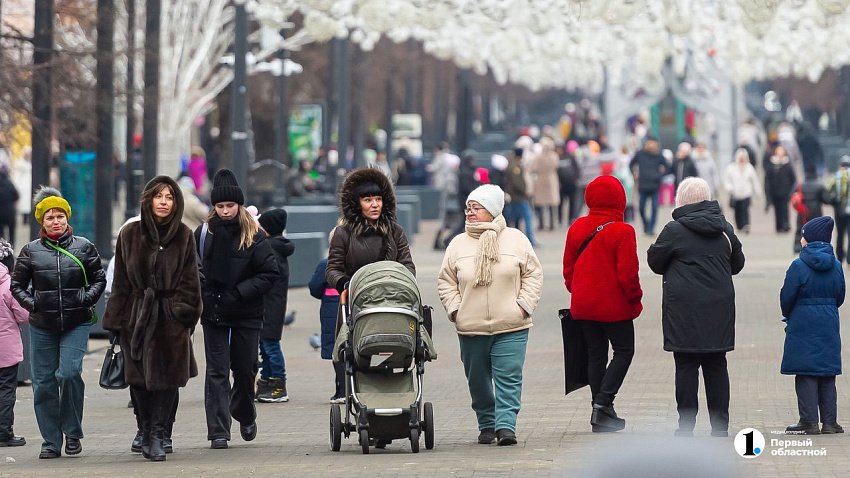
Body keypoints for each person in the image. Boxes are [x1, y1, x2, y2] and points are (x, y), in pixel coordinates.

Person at [102, 176, 202, 461]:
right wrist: (115, 321)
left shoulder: (184, 235)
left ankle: (159, 433)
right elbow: (120, 280)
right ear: (148, 199)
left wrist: (183, 314)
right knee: (139, 380)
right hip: (136, 316)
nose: (163, 202)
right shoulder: (129, 234)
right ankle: (144, 429)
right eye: (159, 196)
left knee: (168, 379)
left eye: (169, 197)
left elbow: (190, 281)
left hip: (170, 317)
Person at [437, 184, 542, 446]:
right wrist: (455, 310)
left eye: (477, 207)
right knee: (479, 381)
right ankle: (486, 423)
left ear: (493, 211)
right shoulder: (458, 244)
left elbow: (533, 274)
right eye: (468, 207)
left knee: (509, 376)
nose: (470, 212)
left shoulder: (517, 239)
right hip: (471, 326)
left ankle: (506, 426)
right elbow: (446, 281)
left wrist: (524, 305)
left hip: (512, 324)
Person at [11, 187, 106, 459]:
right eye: (50, 217)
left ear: (67, 219)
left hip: (77, 322)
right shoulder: (30, 251)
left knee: (69, 373)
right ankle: (51, 440)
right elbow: (17, 285)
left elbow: (99, 278)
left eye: (60, 216)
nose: (56, 221)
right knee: (43, 383)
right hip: (42, 324)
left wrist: (85, 298)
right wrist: (34, 303)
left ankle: (72, 431)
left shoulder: (84, 246)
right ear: (41, 221)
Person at [647, 178, 745, 437]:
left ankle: (686, 427)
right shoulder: (725, 228)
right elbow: (737, 265)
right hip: (719, 310)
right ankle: (720, 427)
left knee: (686, 367)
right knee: (717, 365)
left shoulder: (673, 230)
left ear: (681, 200)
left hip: (683, 313)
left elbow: (655, 263)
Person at [195, 169, 278, 450]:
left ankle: (244, 412)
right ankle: (218, 431)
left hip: (246, 312)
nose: (226, 211)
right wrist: (206, 296)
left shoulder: (255, 234)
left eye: (230, 206)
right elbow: (195, 269)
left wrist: (240, 293)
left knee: (244, 369)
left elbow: (269, 272)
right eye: (220, 206)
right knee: (216, 372)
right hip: (214, 312)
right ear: (213, 207)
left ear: (239, 205)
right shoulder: (204, 233)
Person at [562, 175, 642, 433]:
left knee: (596, 355)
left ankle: (600, 412)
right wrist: (635, 301)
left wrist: (579, 291)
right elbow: (628, 275)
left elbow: (568, 270)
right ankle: (603, 403)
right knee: (624, 351)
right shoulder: (624, 231)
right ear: (620, 199)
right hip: (615, 307)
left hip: (584, 306)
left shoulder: (577, 227)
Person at [780, 216, 845, 435]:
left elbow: (786, 296)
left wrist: (789, 314)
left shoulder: (798, 265)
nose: (801, 239)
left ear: (809, 239)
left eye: (803, 235)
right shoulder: (836, 265)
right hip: (828, 321)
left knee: (806, 371)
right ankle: (830, 422)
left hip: (802, 323)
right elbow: (840, 296)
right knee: (827, 372)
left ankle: (808, 421)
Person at [326, 167, 416, 302]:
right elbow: (333, 269)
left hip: (394, 298)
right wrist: (346, 284)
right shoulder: (343, 233)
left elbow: (407, 266)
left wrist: (399, 283)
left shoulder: (395, 231)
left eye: (378, 199)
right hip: (358, 300)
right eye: (368, 200)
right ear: (356, 204)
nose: (375, 205)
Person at [255, 208, 295, 403]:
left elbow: (267, 277)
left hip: (270, 307)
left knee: (270, 346)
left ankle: (278, 384)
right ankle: (267, 382)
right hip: (270, 306)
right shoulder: (276, 246)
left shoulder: (270, 249)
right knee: (265, 345)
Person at [308, 229, 343, 403]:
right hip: (355, 308)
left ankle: (341, 390)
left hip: (331, 310)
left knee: (337, 350)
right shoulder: (359, 263)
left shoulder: (325, 264)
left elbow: (314, 287)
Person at [0, 238, 27, 447]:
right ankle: (4, 432)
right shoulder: (8, 284)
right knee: (6, 389)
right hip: (5, 349)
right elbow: (23, 315)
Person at [630, 137, 667, 236]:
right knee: (641, 208)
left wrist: (660, 175)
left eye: (653, 144)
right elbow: (631, 164)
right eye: (649, 143)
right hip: (643, 185)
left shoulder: (659, 155)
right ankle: (646, 225)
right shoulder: (640, 154)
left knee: (655, 207)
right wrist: (634, 173)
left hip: (655, 185)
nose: (651, 145)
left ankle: (651, 228)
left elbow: (667, 166)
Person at [724, 148, 762, 233]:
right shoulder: (731, 168)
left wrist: (758, 192)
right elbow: (727, 180)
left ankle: (746, 225)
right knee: (737, 211)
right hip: (735, 194)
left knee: (745, 210)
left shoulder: (749, 168)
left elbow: (755, 180)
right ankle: (739, 226)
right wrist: (730, 188)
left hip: (746, 193)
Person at [504, 148, 537, 246]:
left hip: (514, 196)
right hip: (519, 197)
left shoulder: (511, 164)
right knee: (528, 217)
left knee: (512, 218)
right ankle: (530, 239)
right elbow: (517, 183)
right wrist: (524, 192)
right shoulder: (516, 167)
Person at [764, 145, 796, 233]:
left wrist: (792, 191)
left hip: (785, 192)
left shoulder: (788, 164)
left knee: (784, 209)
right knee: (777, 210)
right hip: (775, 192)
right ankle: (778, 226)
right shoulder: (772, 164)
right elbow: (767, 179)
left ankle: (785, 225)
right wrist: (768, 193)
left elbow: (793, 179)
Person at [530, 137, 560, 231]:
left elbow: (533, 168)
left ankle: (542, 224)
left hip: (541, 179)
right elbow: (557, 165)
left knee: (540, 203)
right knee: (551, 203)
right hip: (551, 179)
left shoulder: (538, 156)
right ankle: (551, 223)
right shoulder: (554, 156)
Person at [826, 156, 850, 264]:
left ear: (840, 165)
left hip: (839, 210)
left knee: (840, 234)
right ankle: (849, 260)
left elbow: (828, 191)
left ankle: (839, 258)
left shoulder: (836, 176)